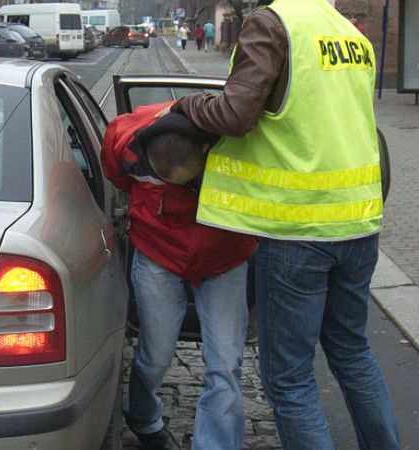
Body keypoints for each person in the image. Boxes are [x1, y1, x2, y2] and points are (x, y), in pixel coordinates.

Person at [168, 0, 403, 449]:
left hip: (299, 232)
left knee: (289, 379)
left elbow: (235, 115)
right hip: (358, 222)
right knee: (353, 353)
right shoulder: (349, 33)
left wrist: (189, 105)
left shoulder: (272, 24)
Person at [101, 102, 257, 450]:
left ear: (205, 152)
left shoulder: (235, 149)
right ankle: (143, 415)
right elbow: (114, 173)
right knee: (155, 353)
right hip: (159, 251)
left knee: (225, 363)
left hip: (224, 257)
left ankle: (215, 444)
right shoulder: (127, 140)